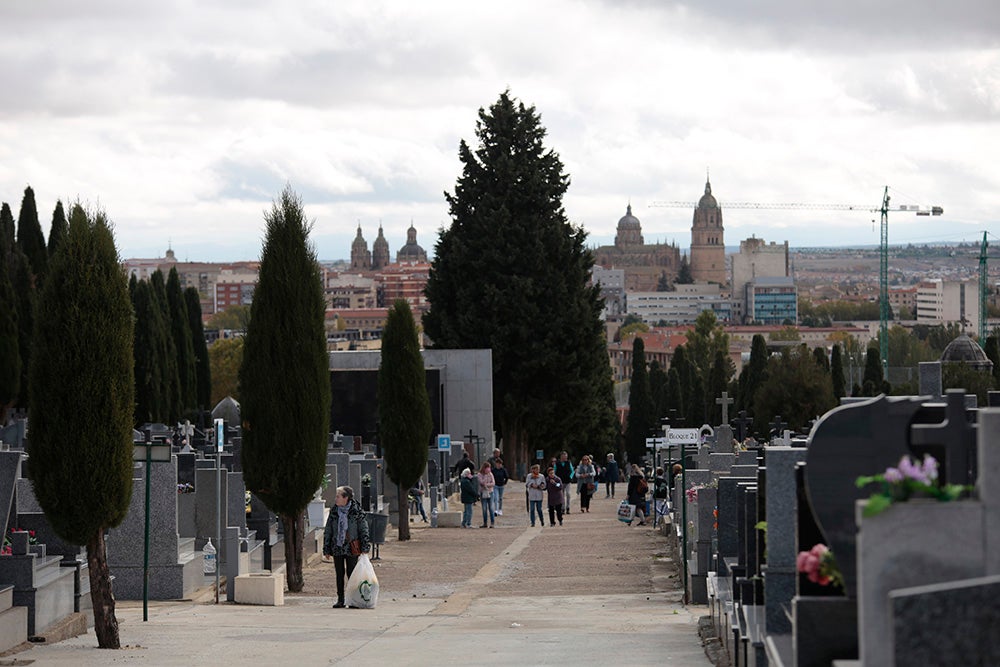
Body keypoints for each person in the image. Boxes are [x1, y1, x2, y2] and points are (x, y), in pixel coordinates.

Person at [322, 485, 371, 608]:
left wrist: (365, 547)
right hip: (337, 546)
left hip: (351, 547)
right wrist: (326, 548)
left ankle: (353, 599)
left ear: (346, 498)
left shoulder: (356, 511)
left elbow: (363, 529)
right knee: (339, 573)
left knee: (352, 573)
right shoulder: (334, 511)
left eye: (338, 496)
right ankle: (341, 599)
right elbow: (328, 530)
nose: (336, 499)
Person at [477, 463, 496, 528]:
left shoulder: (491, 474)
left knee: (491, 508)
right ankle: (485, 523)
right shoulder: (479, 475)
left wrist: (487, 485)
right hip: (483, 492)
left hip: (490, 492)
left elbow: (493, 483)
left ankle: (492, 522)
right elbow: (481, 482)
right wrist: (485, 476)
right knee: (484, 508)